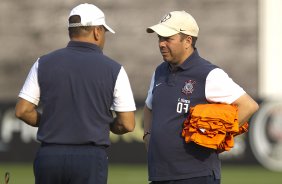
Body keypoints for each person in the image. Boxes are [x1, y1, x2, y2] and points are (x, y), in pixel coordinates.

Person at [15, 3, 136, 184]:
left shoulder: (43, 63)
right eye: (103, 31)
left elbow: (22, 111)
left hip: (49, 156)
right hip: (90, 159)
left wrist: (49, 122)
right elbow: (127, 124)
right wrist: (106, 125)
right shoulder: (115, 69)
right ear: (97, 32)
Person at [143, 10, 259, 184]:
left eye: (168, 38)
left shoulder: (208, 74)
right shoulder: (160, 71)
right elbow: (148, 107)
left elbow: (249, 106)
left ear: (187, 41)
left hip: (196, 175)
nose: (161, 43)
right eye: (160, 38)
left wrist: (219, 137)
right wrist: (148, 137)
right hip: (160, 174)